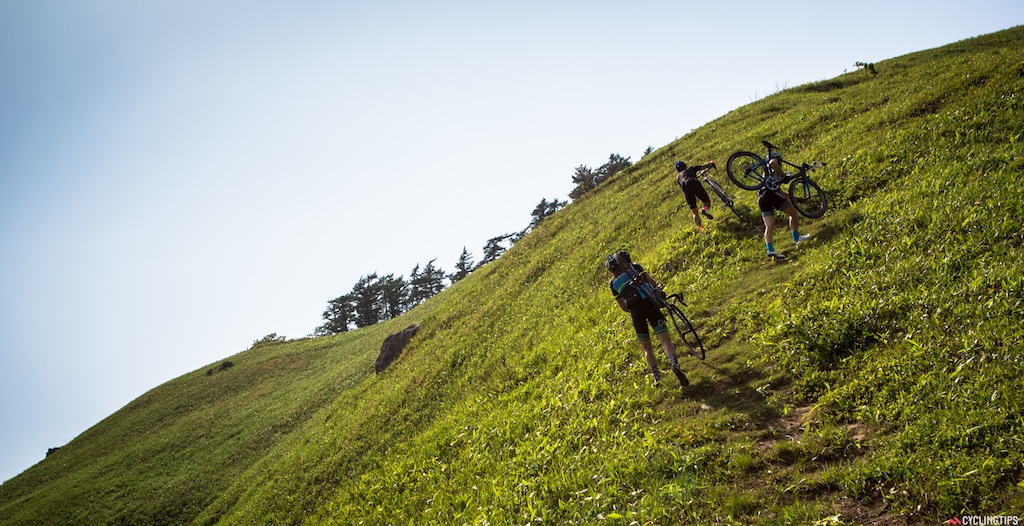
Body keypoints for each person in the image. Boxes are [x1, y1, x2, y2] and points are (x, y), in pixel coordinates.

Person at [604, 251, 688, 386]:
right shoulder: (635, 268)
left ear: (611, 270)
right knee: (665, 340)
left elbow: (623, 307)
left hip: (635, 312)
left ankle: (657, 378)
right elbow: (654, 283)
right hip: (649, 304)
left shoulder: (613, 284)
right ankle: (674, 364)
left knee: (646, 347)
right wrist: (659, 291)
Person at [758, 151, 809, 258]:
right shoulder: (774, 164)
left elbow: (781, 192)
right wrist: (783, 175)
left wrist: (796, 199)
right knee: (793, 213)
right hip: (771, 195)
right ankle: (796, 238)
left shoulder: (767, 175)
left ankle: (770, 249)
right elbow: (772, 162)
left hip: (762, 198)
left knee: (769, 225)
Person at [675, 160, 717, 230]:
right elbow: (704, 166)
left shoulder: (678, 177)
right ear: (685, 166)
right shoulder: (690, 169)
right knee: (706, 201)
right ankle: (704, 209)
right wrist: (711, 163)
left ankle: (700, 228)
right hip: (695, 184)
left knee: (694, 211)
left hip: (686, 190)